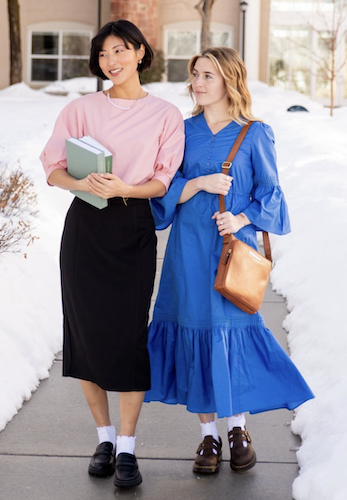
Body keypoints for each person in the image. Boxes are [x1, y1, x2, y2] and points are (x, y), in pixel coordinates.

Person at [144, 47, 314, 475]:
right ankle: (208, 434)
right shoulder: (182, 130)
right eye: (195, 75)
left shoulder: (256, 132)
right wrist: (198, 182)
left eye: (208, 76)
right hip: (187, 250)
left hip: (230, 250)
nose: (198, 84)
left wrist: (239, 216)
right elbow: (163, 192)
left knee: (230, 331)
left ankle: (237, 428)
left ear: (229, 81)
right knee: (194, 330)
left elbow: (272, 196)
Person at [40, 20, 184, 488]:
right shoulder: (81, 109)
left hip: (132, 223)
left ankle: (127, 447)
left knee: (126, 335)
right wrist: (82, 183)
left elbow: (163, 180)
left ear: (141, 52)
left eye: (120, 51)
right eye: (103, 54)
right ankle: (103, 438)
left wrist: (127, 187)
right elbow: (53, 168)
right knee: (83, 333)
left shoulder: (166, 114)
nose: (111, 62)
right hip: (85, 225)